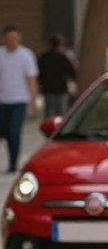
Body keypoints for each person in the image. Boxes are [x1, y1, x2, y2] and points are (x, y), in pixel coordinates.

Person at [0, 23, 39, 173]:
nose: (12, 40)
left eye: (14, 38)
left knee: (14, 132)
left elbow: (31, 79)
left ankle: (13, 162)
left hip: (19, 100)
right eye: (9, 38)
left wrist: (32, 101)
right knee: (5, 132)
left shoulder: (26, 55)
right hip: (2, 100)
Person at [37, 34, 78, 118]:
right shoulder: (64, 57)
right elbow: (72, 73)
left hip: (48, 89)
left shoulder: (44, 57)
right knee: (62, 115)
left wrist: (41, 84)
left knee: (49, 114)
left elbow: (39, 73)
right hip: (61, 89)